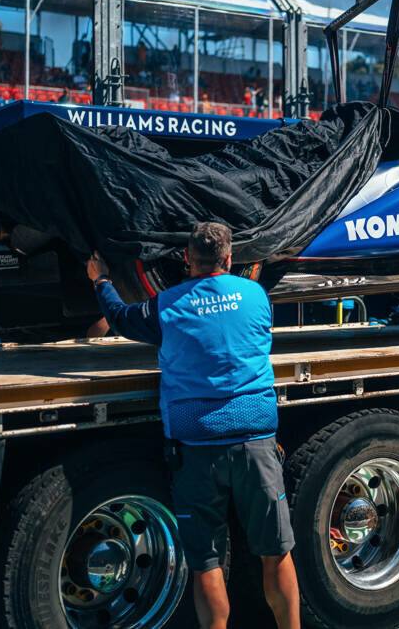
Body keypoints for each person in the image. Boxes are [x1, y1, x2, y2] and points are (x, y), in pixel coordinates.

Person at [86, 222, 300, 629]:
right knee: (277, 554)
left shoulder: (167, 305)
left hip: (198, 445)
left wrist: (101, 281)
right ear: (230, 259)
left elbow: (119, 317)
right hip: (256, 441)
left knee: (207, 562)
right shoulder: (256, 296)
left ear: (186, 259)